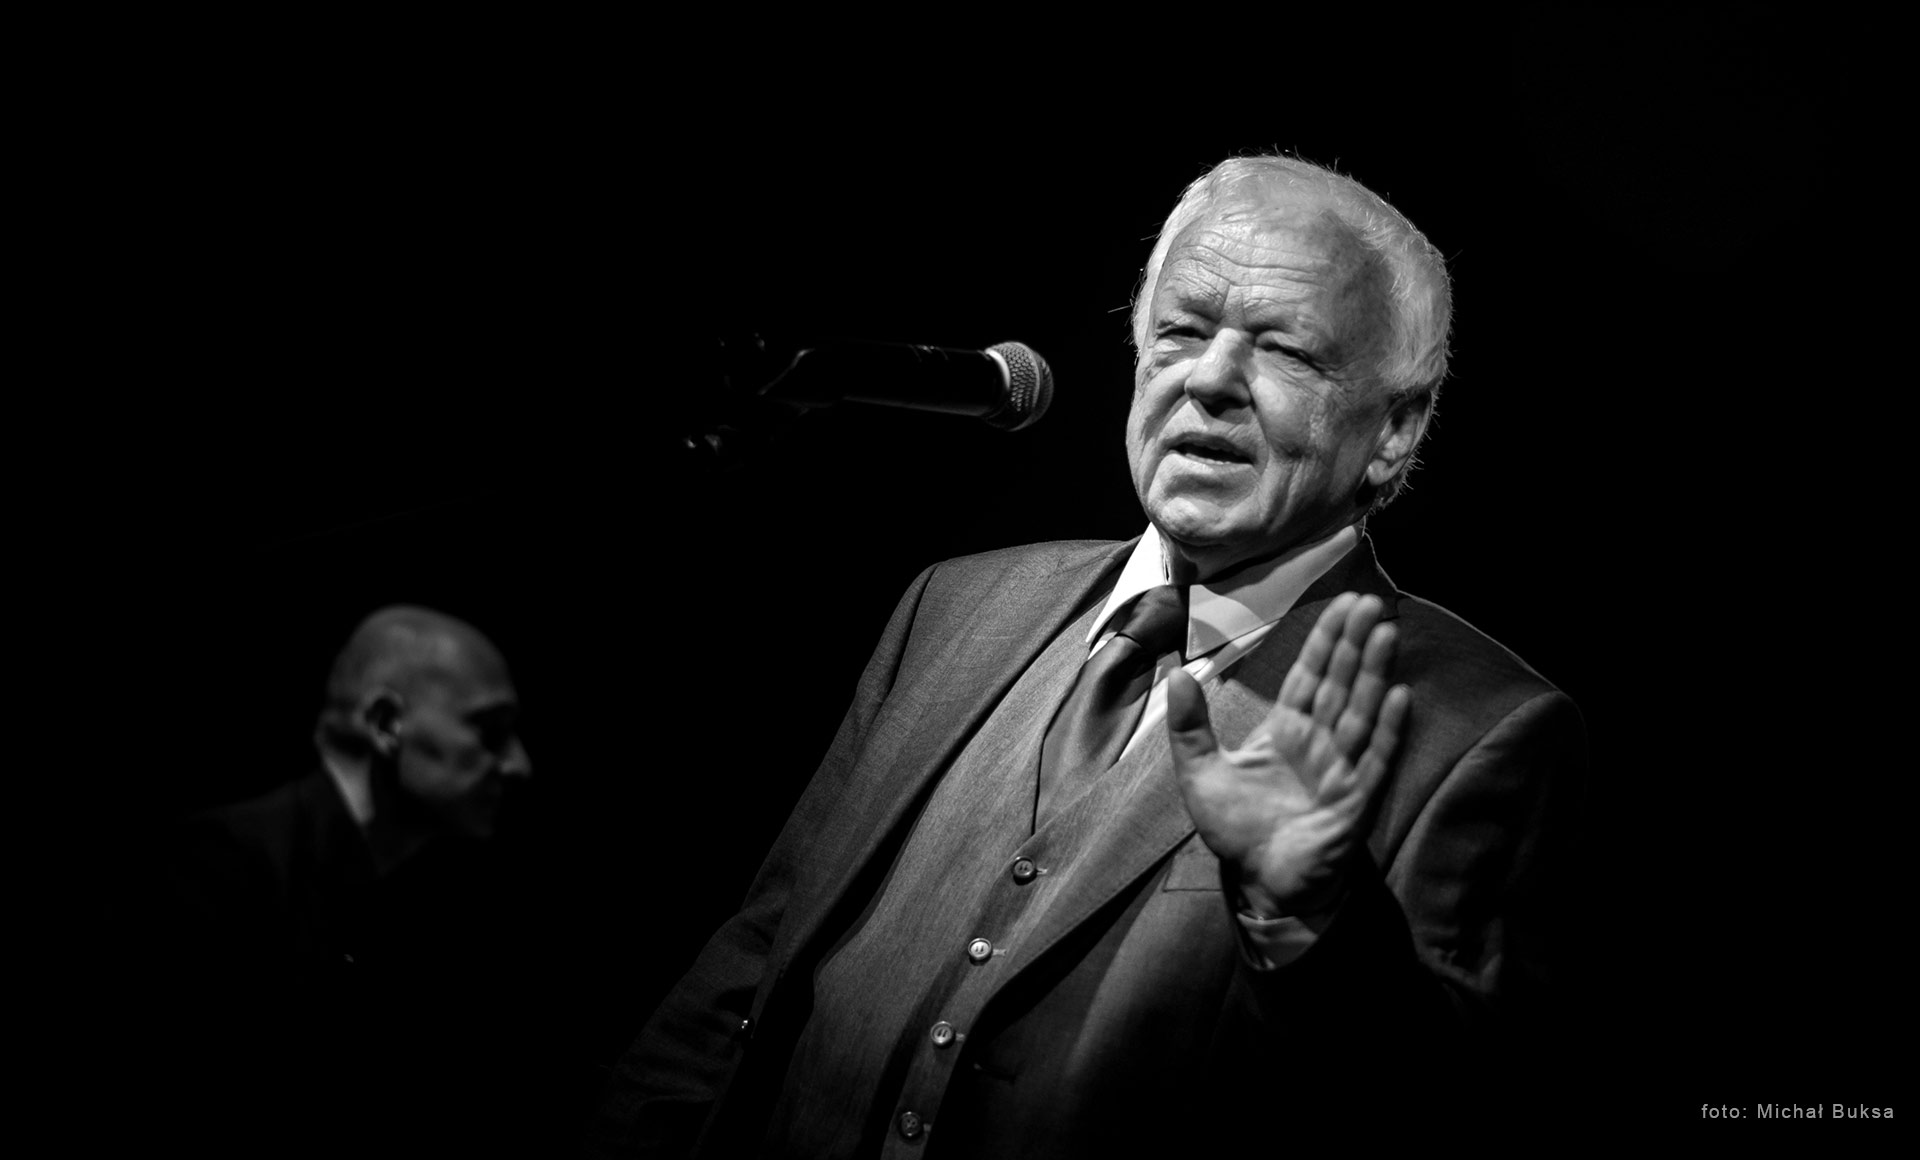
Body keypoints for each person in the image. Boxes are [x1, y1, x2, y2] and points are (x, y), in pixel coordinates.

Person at [588, 155, 1587, 1156]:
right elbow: (746, 978)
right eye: (1182, 331)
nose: (1211, 379)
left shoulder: (1482, 731)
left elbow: (1451, 1111)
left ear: (1396, 430)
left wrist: (1312, 925)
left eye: (1284, 349)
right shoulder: (956, 607)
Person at [142, 606, 538, 1156]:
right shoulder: (218, 866)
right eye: (490, 732)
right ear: (385, 724)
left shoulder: (413, 893)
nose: (519, 765)